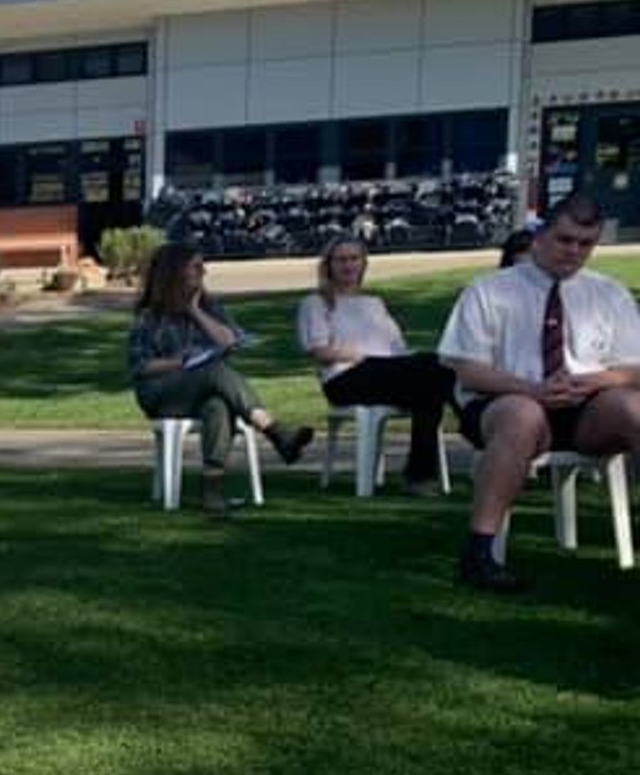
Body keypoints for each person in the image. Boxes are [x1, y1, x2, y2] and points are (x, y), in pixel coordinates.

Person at [439, 191, 640, 592]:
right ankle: (480, 552)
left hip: (587, 405)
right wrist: (533, 389)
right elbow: (467, 369)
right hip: (504, 399)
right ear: (540, 237)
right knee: (521, 415)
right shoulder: (488, 291)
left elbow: (634, 367)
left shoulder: (609, 293)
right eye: (565, 240)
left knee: (635, 408)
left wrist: (594, 381)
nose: (574, 251)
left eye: (585, 244)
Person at [128, 241, 313, 511]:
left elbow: (229, 341)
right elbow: (140, 366)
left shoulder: (209, 307)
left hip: (205, 388)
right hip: (161, 394)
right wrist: (179, 362)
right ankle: (275, 431)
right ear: (176, 271)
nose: (203, 272)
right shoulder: (149, 318)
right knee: (213, 371)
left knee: (217, 404)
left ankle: (212, 487)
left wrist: (194, 311)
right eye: (196, 267)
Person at [295, 237, 457, 495]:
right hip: (344, 377)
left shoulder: (374, 303)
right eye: (341, 260)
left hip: (385, 373)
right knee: (433, 370)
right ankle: (466, 437)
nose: (348, 265)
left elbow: (398, 348)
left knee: (432, 386)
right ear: (329, 265)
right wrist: (359, 356)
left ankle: (419, 474)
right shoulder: (316, 303)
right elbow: (319, 351)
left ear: (363, 264)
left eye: (354, 259)